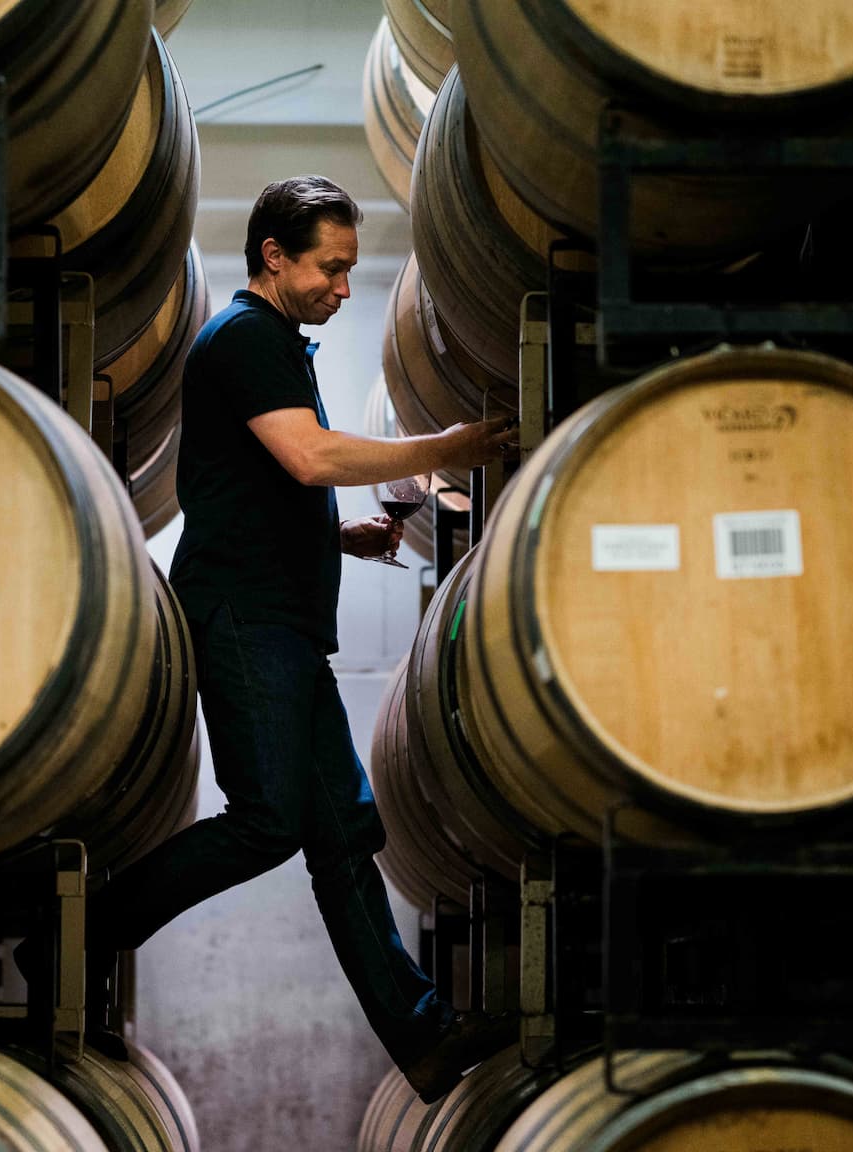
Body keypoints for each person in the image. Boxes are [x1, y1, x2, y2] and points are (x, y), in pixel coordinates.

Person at [45, 175, 517, 1103]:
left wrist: (337, 535)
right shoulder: (247, 340)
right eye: (331, 270)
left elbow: (261, 485)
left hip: (283, 621)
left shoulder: (276, 345)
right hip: (244, 618)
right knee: (268, 822)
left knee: (343, 830)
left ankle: (422, 1039)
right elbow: (311, 457)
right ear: (274, 257)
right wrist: (445, 445)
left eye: (348, 272)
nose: (345, 288)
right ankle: (87, 930)